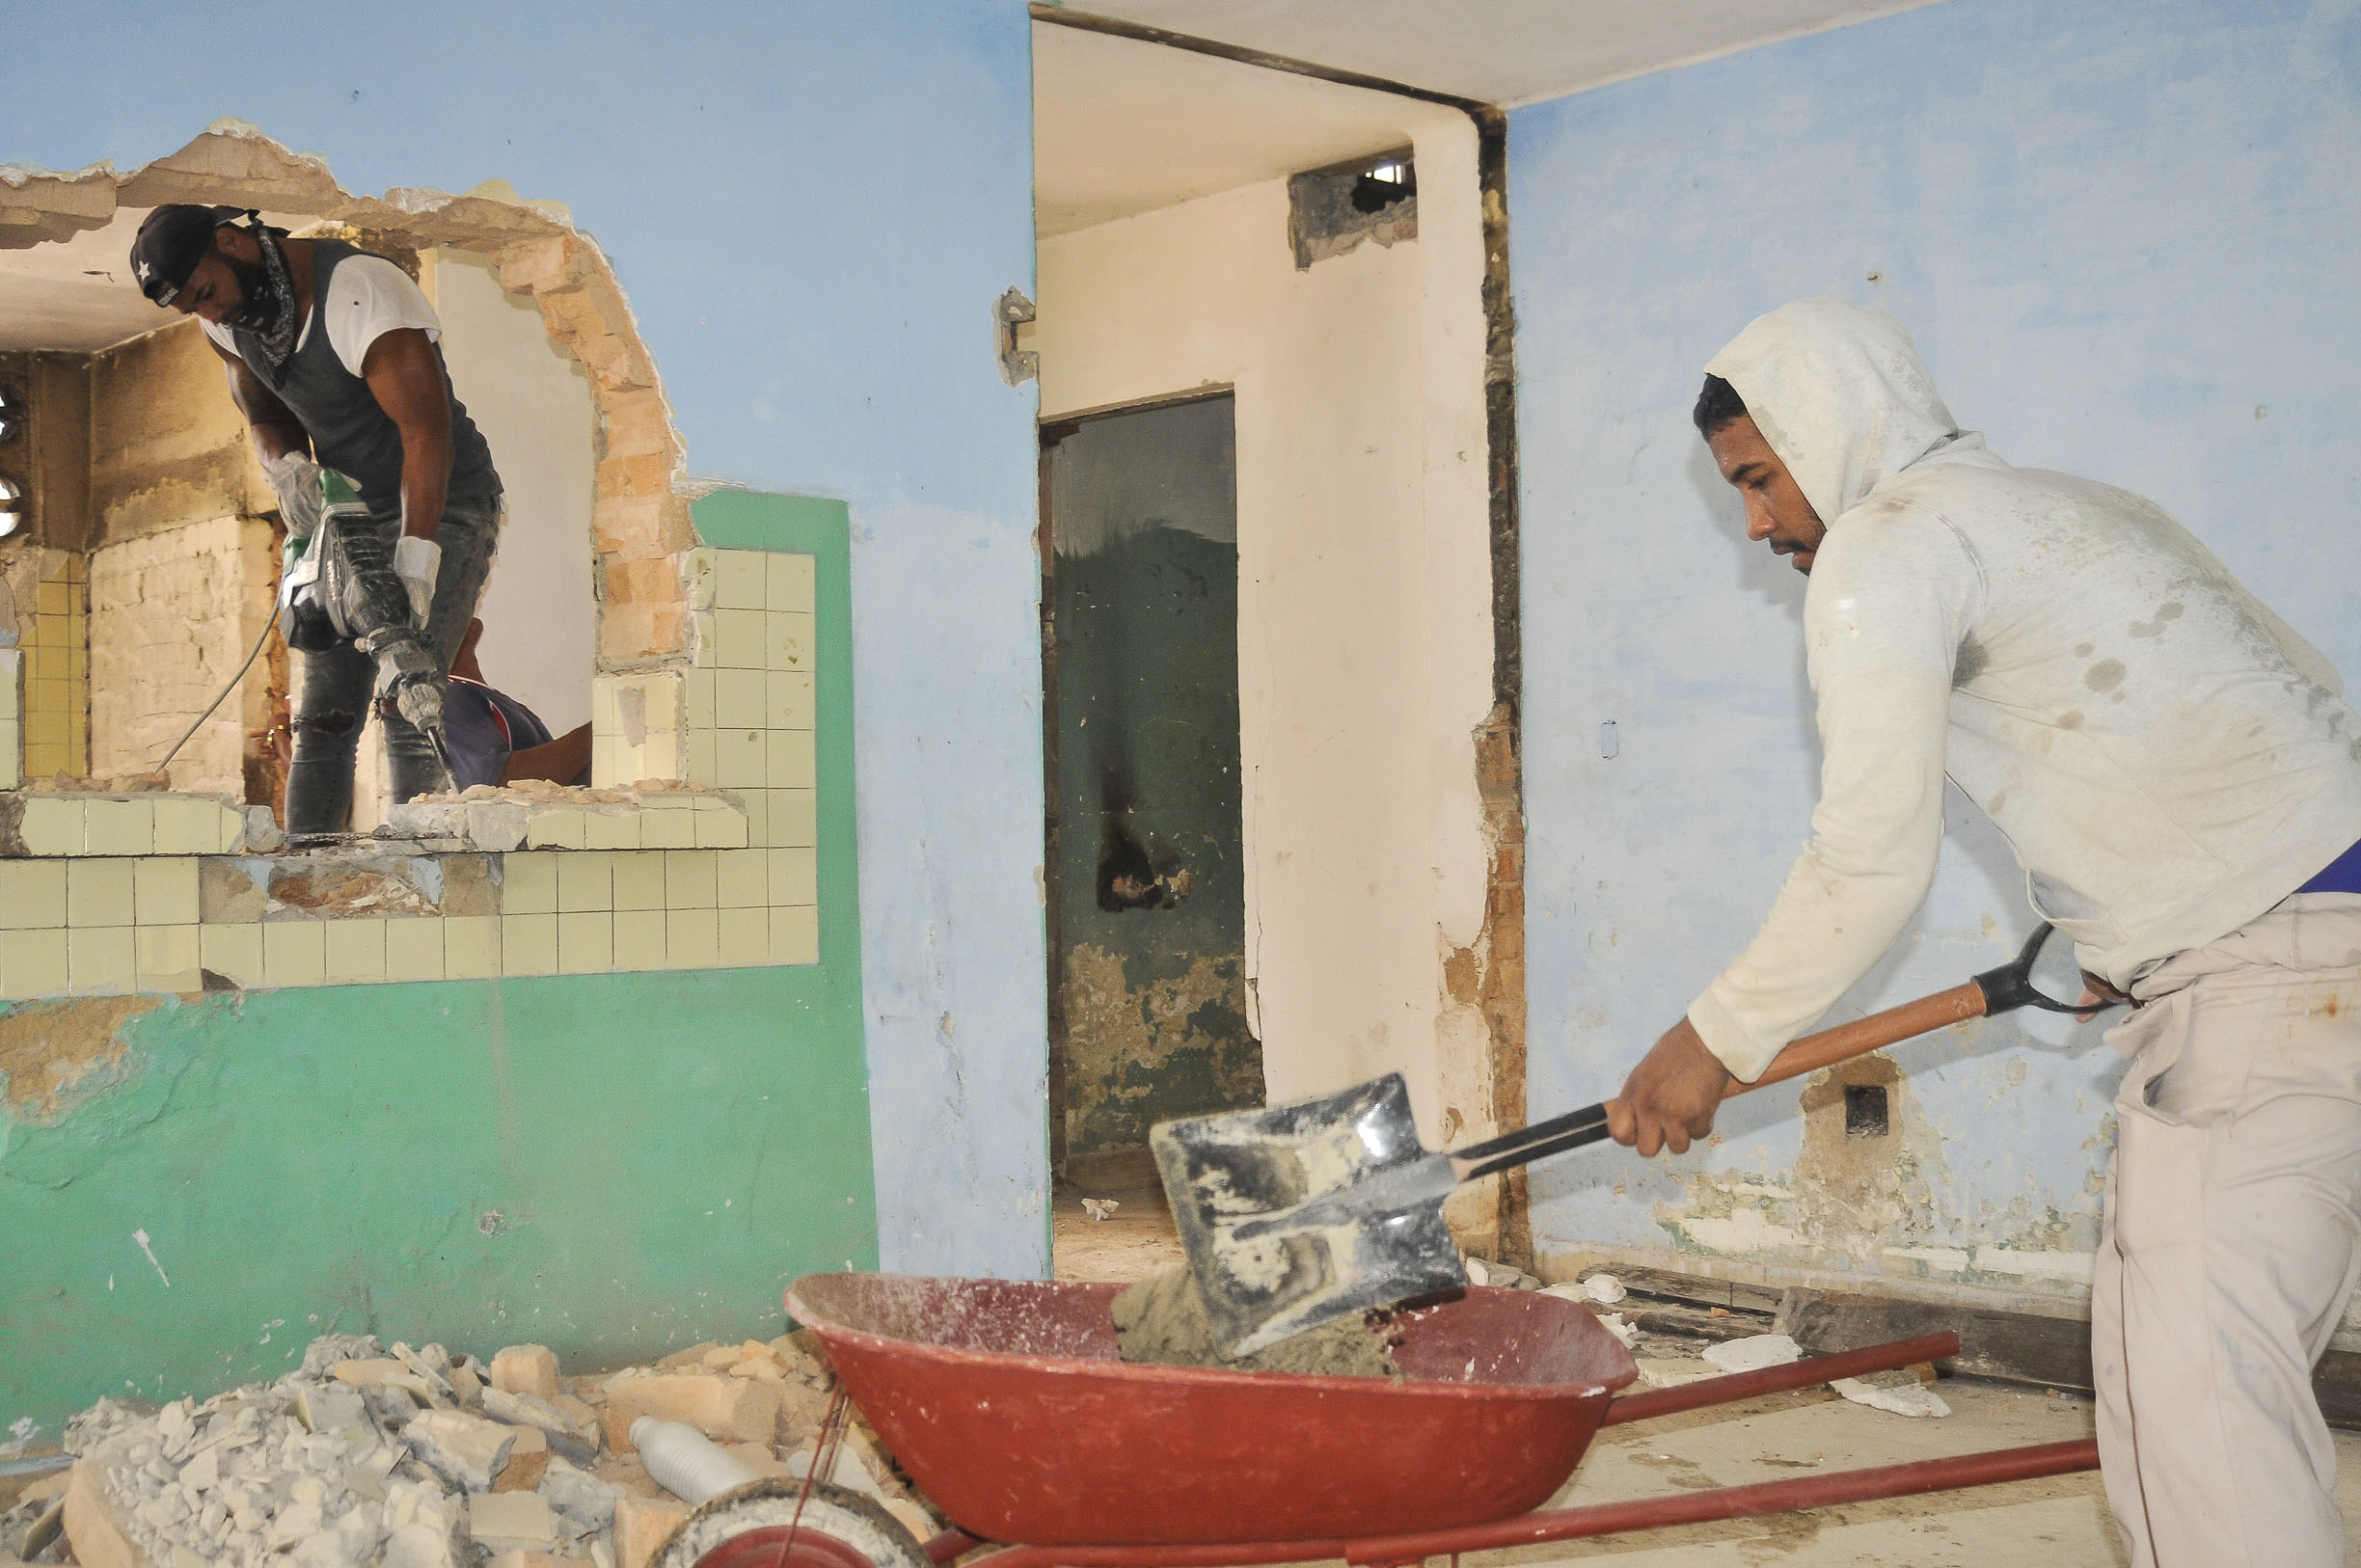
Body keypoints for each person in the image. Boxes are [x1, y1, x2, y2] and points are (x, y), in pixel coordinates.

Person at [1610, 297, 2361, 1566]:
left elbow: (1869, 855)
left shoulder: (1889, 542)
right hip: (2300, 955)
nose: (1757, 524)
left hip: (2269, 990)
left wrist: (1712, 1039)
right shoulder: (2078, 505)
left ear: (1828, 434)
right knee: (2173, 1387)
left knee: (2208, 1425)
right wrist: (2138, 928)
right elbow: (2284, 712)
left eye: (1757, 479)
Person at [129, 203, 503, 835]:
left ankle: (419, 868)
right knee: (323, 720)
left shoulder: (360, 292)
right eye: (193, 308)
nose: (209, 314)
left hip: (444, 499)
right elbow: (265, 417)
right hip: (348, 515)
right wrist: (287, 469)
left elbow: (426, 433)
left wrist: (416, 562)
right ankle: (307, 870)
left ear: (230, 243)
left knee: (408, 694)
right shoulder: (228, 326)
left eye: (207, 293)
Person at [444, 618, 590, 790]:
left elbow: (559, 785)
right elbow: (489, 786)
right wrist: (598, 731)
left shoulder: (504, 702)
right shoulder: (449, 696)